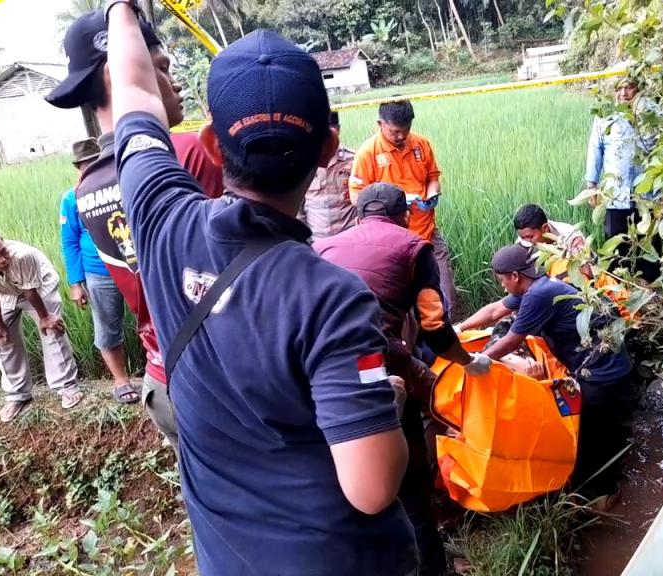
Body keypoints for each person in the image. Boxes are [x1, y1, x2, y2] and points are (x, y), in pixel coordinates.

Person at [105, 4, 416, 573]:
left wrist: (120, 11)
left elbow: (132, 93)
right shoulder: (335, 299)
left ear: (210, 146)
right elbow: (371, 486)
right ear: (328, 152)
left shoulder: (160, 220)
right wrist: (386, 400)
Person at [47, 11, 223, 448]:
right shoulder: (186, 153)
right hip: (221, 377)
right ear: (122, 71)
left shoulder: (86, 186)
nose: (175, 80)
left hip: (162, 375)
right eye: (161, 67)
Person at [315, 183, 490, 576]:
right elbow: (435, 327)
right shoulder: (414, 247)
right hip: (379, 369)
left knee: (346, 478)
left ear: (358, 216)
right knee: (410, 482)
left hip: (323, 378)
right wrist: (467, 361)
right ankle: (431, 568)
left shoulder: (323, 247)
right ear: (405, 216)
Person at [458, 244, 633, 502]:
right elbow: (495, 310)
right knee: (606, 429)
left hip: (601, 372)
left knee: (592, 439)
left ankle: (603, 495)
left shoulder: (539, 295)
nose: (503, 286)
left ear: (515, 276)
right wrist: (459, 327)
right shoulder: (537, 287)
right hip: (601, 365)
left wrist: (479, 359)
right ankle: (609, 480)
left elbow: (511, 340)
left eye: (503, 280)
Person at [0, 230, 83, 422]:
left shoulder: (23, 255)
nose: (2, 260)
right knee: (1, 338)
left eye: (3, 251)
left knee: (51, 329)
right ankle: (17, 395)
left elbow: (31, 292)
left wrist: (44, 317)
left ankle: (66, 386)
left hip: (40, 287)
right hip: (3, 293)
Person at [349, 100, 457, 309]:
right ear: (379, 124)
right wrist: (395, 202)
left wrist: (432, 193)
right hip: (390, 239)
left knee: (445, 296)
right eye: (395, 132)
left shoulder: (421, 144)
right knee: (403, 300)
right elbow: (357, 197)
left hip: (426, 232)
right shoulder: (368, 153)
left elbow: (432, 176)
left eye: (406, 131)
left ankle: (448, 333)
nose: (401, 137)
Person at [60, 138, 138, 404]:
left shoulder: (123, 185)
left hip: (134, 266)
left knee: (155, 319)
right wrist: (75, 283)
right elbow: (69, 241)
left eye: (95, 163)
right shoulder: (72, 198)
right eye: (85, 165)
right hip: (99, 273)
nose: (90, 169)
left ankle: (160, 373)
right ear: (78, 168)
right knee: (107, 328)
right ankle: (120, 379)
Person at [584, 76, 663, 283]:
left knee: (651, 243)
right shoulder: (605, 115)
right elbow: (595, 149)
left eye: (629, 87)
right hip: (615, 194)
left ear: (639, 88)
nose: (624, 93)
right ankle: (619, 293)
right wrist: (591, 184)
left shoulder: (652, 112)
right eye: (619, 88)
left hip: (648, 194)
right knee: (616, 246)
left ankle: (652, 291)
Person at [304, 111, 357, 240]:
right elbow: (298, 205)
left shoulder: (353, 159)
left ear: (338, 130)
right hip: (317, 240)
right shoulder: (305, 162)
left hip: (349, 237)